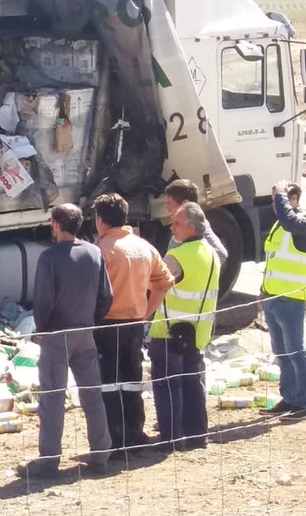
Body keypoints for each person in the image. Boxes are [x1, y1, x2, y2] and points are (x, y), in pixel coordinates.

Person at [28, 204, 113, 478]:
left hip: (56, 335)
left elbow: (42, 301)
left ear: (55, 224)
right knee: (92, 394)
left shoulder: (49, 258)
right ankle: (100, 454)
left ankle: (49, 460)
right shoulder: (94, 252)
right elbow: (106, 296)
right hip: (84, 333)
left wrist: (42, 329)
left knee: (52, 398)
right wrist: (91, 319)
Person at [93, 193, 174, 451]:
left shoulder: (102, 250)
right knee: (132, 379)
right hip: (135, 324)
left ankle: (115, 439)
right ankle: (135, 433)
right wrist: (146, 313)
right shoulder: (144, 247)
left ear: (100, 220)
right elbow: (164, 282)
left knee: (109, 383)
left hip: (107, 325)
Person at [147, 202, 220, 451]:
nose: (172, 227)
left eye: (177, 223)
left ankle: (171, 440)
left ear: (190, 228)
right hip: (197, 333)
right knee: (193, 384)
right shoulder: (211, 254)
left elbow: (153, 285)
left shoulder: (177, 257)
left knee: (168, 387)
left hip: (168, 332)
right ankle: (197, 435)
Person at [260, 180, 306, 418]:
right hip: (274, 298)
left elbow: (290, 219)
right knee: (282, 352)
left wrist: (281, 193)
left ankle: (303, 402)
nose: (274, 205)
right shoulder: (280, 226)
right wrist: (262, 291)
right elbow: (272, 260)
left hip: (292, 300)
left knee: (296, 352)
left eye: (277, 200)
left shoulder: (305, 223)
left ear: (292, 200)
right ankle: (289, 397)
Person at [163, 178, 228, 268]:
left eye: (170, 202)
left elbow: (221, 254)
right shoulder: (180, 226)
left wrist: (192, 270)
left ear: (185, 203)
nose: (167, 207)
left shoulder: (199, 226)